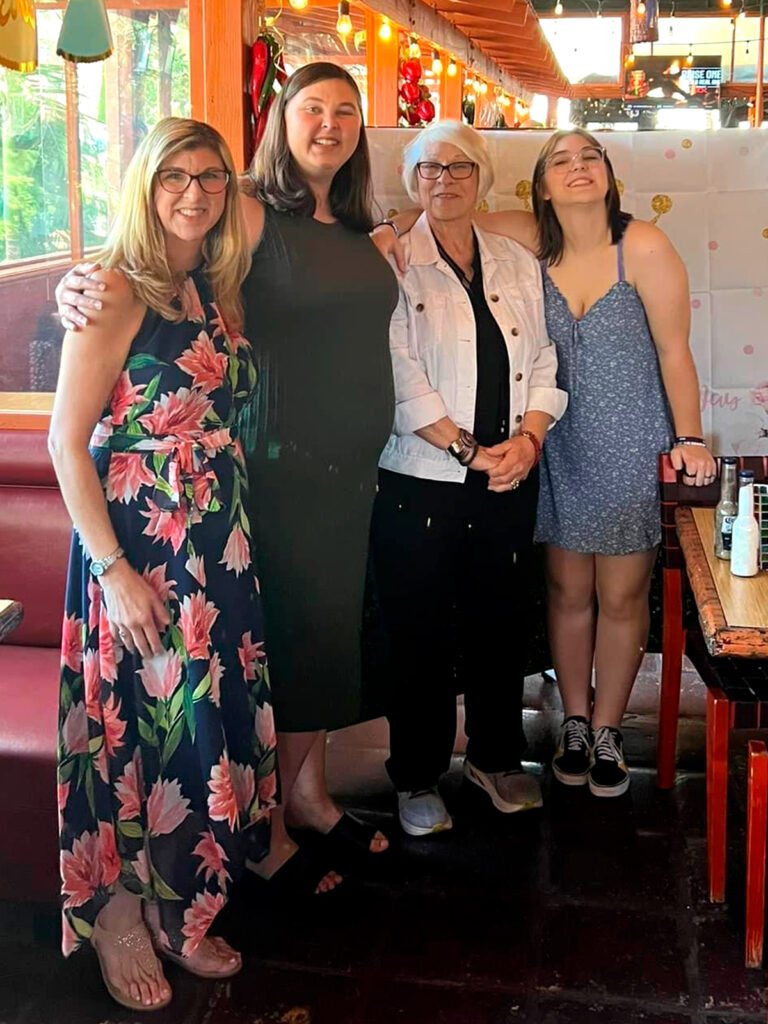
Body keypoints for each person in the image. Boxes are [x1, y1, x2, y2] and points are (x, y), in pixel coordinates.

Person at [56, 63, 396, 882]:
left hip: (299, 488)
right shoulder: (242, 211)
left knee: (298, 650)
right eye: (310, 108)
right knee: (247, 660)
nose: (328, 124)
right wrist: (73, 281)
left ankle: (286, 809)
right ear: (280, 122)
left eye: (345, 111)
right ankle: (221, 845)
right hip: (232, 485)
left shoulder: (357, 230)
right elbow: (74, 426)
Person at [374, 128, 715, 800]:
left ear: (610, 175)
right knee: (565, 593)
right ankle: (574, 725)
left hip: (621, 443)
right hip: (550, 444)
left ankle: (610, 728)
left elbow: (676, 352)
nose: (577, 166)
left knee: (619, 597)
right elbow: (440, 208)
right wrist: (387, 229)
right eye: (560, 160)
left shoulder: (642, 246)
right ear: (541, 184)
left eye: (590, 156)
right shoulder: (531, 237)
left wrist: (691, 437)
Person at [49, 117, 276, 1012]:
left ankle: (179, 904)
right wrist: (114, 572)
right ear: (143, 185)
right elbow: (68, 445)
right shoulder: (110, 289)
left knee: (190, 725)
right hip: (138, 550)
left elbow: (275, 193)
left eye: (211, 177)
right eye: (172, 176)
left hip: (215, 551)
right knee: (134, 727)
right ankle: (117, 914)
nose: (194, 192)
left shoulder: (203, 286)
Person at [370, 121, 567, 837]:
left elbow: (545, 360)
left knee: (500, 623)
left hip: (510, 475)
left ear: (481, 177)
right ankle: (417, 775)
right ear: (411, 180)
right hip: (421, 476)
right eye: (429, 168)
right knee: (419, 634)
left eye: (459, 168)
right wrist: (467, 449)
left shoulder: (514, 260)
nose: (444, 180)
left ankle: (494, 758)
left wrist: (530, 438)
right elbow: (395, 369)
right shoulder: (392, 260)